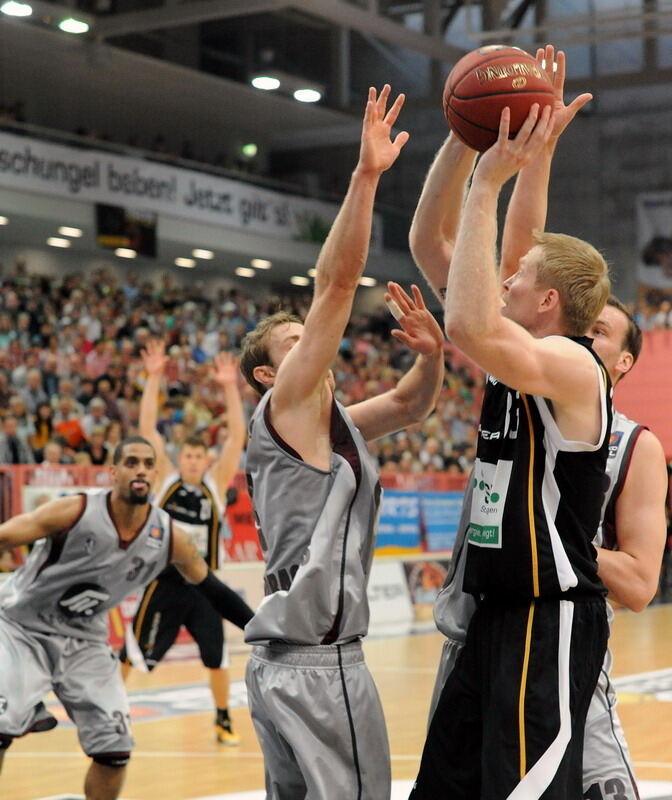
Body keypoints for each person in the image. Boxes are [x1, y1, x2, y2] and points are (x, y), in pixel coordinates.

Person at [409, 54, 614, 797]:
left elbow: (467, 318)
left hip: (549, 618)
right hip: (496, 617)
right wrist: (477, 139)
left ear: (549, 302)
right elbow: (429, 241)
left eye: (516, 277)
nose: (503, 276)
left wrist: (493, 179)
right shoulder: (524, 346)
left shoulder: (568, 365)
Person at [240, 85, 445, 800]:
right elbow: (332, 287)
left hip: (283, 664)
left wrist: (432, 354)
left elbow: (412, 406)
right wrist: (365, 177)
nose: (311, 348)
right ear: (270, 373)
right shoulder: (287, 404)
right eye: (294, 345)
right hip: (318, 666)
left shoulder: (332, 424)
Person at [0, 436, 253, 800]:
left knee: (115, 750)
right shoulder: (75, 510)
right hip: (23, 627)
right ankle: (24, 705)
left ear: (155, 473)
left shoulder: (167, 536)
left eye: (148, 464)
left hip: (85, 638)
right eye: (131, 462)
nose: (141, 469)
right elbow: (6, 536)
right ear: (114, 472)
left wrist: (261, 628)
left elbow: (213, 588)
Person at [118, 346, 247, 745]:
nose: (192, 461)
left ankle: (223, 721)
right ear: (179, 458)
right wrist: (154, 377)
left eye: (198, 455)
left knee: (217, 659)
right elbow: (146, 427)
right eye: (186, 455)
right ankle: (112, 710)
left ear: (206, 459)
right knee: (133, 654)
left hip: (206, 588)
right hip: (165, 585)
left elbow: (237, 436)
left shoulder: (215, 484)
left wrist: (229, 388)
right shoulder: (164, 481)